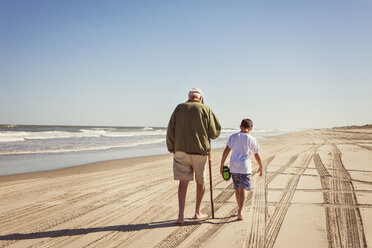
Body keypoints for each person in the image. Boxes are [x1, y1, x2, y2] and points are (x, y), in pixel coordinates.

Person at [166, 88, 221, 224]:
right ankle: (197, 213)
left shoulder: (179, 108)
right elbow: (214, 133)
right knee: (200, 183)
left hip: (180, 152)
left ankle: (180, 216)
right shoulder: (206, 109)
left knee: (183, 183)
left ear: (189, 97)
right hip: (200, 153)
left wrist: (172, 148)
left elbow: (170, 129)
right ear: (200, 98)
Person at [220, 118, 263, 221]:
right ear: (251, 128)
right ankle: (240, 211)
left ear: (240, 127)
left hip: (234, 167)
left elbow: (226, 151)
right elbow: (256, 154)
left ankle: (239, 209)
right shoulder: (251, 139)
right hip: (245, 167)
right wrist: (261, 166)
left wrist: (221, 164)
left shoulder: (233, 137)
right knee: (243, 189)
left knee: (237, 188)